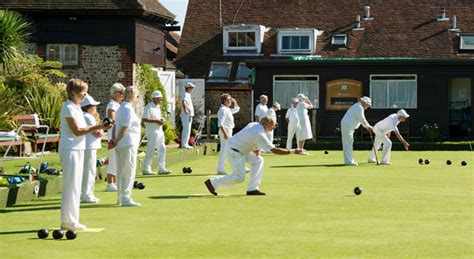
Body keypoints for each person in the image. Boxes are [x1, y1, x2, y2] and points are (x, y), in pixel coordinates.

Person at [59, 79, 109, 230]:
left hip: (79, 148)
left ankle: (72, 220)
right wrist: (98, 126)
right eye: (82, 92)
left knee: (76, 185)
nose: (85, 94)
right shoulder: (68, 108)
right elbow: (77, 131)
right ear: (73, 92)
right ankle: (68, 221)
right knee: (71, 185)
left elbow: (84, 127)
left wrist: (98, 127)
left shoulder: (77, 108)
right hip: (70, 149)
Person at [204, 116, 291, 196]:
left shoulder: (253, 124)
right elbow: (274, 150)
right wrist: (292, 151)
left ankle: (252, 189)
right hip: (234, 151)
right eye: (273, 125)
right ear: (267, 124)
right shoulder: (260, 134)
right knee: (239, 177)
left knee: (258, 160)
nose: (274, 127)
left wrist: (253, 148)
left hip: (239, 148)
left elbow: (246, 137)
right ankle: (212, 182)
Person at [109, 86, 141, 207]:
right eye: (137, 96)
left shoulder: (121, 108)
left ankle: (120, 197)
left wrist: (114, 140)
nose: (137, 99)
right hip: (127, 143)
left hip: (123, 144)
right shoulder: (127, 109)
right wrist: (116, 140)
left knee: (121, 171)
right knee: (128, 170)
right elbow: (123, 128)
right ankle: (125, 197)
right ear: (133, 96)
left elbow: (116, 126)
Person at [142, 90, 172, 175]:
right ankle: (146, 169)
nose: (161, 100)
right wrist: (156, 121)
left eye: (161, 98)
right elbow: (144, 119)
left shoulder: (157, 107)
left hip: (159, 130)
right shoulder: (149, 107)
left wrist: (161, 120)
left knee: (162, 149)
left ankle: (161, 168)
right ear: (154, 98)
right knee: (151, 149)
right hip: (152, 131)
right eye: (159, 98)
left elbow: (157, 118)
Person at [80, 94, 103, 204]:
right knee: (89, 170)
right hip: (89, 146)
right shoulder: (88, 117)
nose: (96, 108)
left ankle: (86, 193)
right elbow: (96, 133)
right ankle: (87, 194)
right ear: (89, 107)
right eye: (94, 106)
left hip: (87, 146)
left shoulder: (83, 115)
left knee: (87, 170)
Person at [341, 96, 373, 166]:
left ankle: (349, 160)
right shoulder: (359, 107)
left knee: (349, 143)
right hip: (347, 126)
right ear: (364, 102)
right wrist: (368, 127)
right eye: (368, 105)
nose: (368, 106)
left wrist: (368, 127)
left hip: (349, 127)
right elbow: (362, 119)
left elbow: (361, 119)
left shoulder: (358, 106)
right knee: (348, 143)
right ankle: (349, 161)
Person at [105, 83, 125, 192]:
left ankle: (115, 181)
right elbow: (112, 120)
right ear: (114, 93)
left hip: (118, 134)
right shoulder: (112, 105)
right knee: (113, 157)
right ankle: (110, 183)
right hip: (113, 134)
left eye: (123, 93)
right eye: (120, 92)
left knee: (117, 158)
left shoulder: (118, 104)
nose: (122, 95)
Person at [216, 93, 240, 175]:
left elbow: (237, 109)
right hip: (225, 132)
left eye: (230, 99)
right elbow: (220, 123)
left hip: (229, 131)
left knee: (224, 151)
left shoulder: (227, 109)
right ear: (224, 101)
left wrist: (235, 101)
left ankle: (220, 169)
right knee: (232, 149)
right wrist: (225, 134)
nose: (230, 101)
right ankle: (240, 167)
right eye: (229, 100)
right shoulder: (223, 110)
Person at [180, 82, 195, 149]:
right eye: (191, 88)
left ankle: (186, 143)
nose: (192, 89)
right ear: (188, 88)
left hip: (189, 115)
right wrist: (185, 110)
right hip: (186, 115)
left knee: (188, 129)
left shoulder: (188, 94)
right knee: (186, 129)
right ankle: (184, 144)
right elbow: (184, 102)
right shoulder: (185, 94)